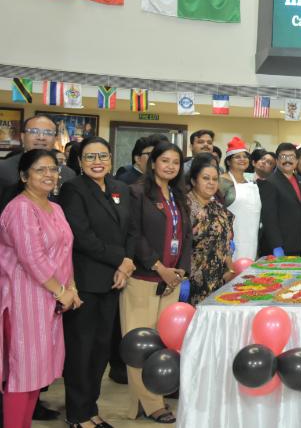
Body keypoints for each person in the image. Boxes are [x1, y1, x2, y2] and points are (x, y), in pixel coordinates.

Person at [0, 149, 80, 428]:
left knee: (36, 375)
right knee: (22, 376)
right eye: (40, 170)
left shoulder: (54, 207)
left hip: (50, 299)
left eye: (53, 169)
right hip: (24, 301)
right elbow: (31, 257)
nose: (49, 174)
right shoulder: (21, 208)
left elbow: (65, 252)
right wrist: (61, 291)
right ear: (24, 176)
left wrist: (71, 287)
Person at [58, 137, 133, 428]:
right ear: (79, 161)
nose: (97, 161)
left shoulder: (121, 189)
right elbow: (82, 236)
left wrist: (127, 263)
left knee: (101, 350)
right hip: (86, 282)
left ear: (111, 159)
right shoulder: (73, 190)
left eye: (102, 155)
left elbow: (131, 231)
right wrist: (121, 261)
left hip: (115, 282)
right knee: (81, 350)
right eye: (90, 157)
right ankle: (77, 413)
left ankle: (91, 408)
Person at [122, 141, 190, 423]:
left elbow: (186, 237)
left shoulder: (177, 194)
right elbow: (134, 235)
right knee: (141, 344)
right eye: (165, 161)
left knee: (162, 343)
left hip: (171, 282)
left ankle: (146, 400)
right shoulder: (137, 192)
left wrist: (181, 271)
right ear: (153, 163)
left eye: (175, 162)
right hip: (143, 279)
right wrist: (159, 267)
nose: (170, 166)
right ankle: (152, 405)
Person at [0, 115, 76, 217]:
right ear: (22, 136)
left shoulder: (68, 174)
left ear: (56, 138)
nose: (41, 137)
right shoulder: (3, 169)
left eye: (48, 133)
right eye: (34, 131)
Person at [186, 154, 233, 306]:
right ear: (193, 180)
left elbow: (226, 244)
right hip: (192, 280)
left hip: (219, 279)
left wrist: (230, 270)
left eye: (214, 179)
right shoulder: (185, 207)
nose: (211, 183)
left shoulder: (219, 208)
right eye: (206, 178)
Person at [258, 143, 301, 257]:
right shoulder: (269, 182)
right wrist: (276, 245)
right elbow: (269, 217)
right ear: (277, 161)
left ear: (296, 161)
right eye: (283, 157)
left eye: (291, 157)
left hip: (298, 244)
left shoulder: (300, 180)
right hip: (279, 247)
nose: (287, 160)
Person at [218, 137, 261, 262]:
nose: (242, 159)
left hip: (252, 242)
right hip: (231, 244)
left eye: (245, 156)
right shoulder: (221, 182)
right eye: (237, 157)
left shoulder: (251, 182)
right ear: (228, 162)